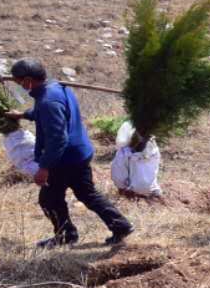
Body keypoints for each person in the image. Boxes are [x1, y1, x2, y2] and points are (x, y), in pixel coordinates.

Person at [8, 58, 133, 248]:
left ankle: (66, 235)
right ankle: (120, 225)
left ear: (27, 81)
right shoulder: (57, 87)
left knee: (49, 199)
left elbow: (58, 138)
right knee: (86, 193)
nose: (19, 86)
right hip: (79, 152)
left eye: (18, 82)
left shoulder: (48, 100)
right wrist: (24, 114)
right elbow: (49, 113)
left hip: (64, 159)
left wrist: (44, 167)